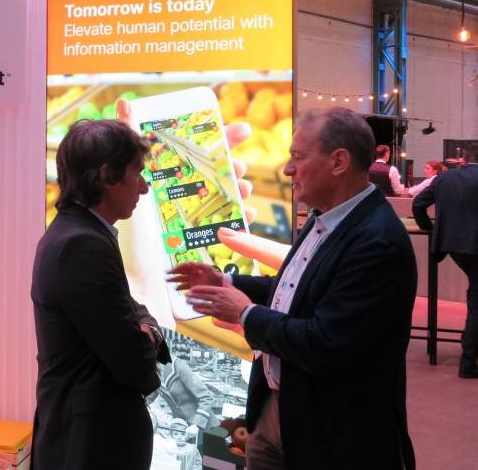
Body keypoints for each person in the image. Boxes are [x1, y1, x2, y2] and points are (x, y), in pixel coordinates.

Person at [171, 108, 416, 470]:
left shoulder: (377, 242)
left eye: (298, 157)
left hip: (331, 431)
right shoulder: (325, 219)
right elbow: (296, 290)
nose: (287, 169)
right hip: (281, 409)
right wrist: (226, 282)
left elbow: (325, 343)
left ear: (338, 162)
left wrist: (244, 313)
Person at [31, 119, 170, 470]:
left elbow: (129, 308)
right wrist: (149, 335)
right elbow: (133, 359)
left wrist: (145, 326)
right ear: (107, 176)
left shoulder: (77, 232)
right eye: (137, 173)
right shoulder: (83, 244)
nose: (144, 188)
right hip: (90, 443)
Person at [413, 143, 478, 379]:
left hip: (453, 247)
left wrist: (431, 230)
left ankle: (469, 346)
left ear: (463, 159)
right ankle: (468, 362)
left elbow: (418, 204)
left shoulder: (445, 178)